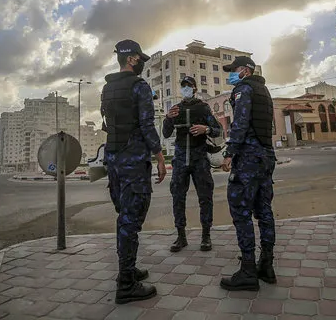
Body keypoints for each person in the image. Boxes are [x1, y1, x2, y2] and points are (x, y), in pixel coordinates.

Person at [100, 39, 167, 304]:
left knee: (124, 216)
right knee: (131, 218)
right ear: (131, 59)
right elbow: (147, 124)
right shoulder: (139, 87)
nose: (142, 62)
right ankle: (126, 284)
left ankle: (126, 271)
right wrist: (160, 157)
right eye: (140, 58)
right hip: (133, 159)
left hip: (114, 157)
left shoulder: (108, 87)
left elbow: (108, 123)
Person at [219, 55, 277, 292]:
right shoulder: (264, 90)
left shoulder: (243, 89)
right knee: (264, 210)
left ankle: (248, 271)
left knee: (241, 211)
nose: (231, 74)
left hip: (249, 157)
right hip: (266, 155)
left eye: (233, 70)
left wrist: (230, 153)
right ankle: (267, 265)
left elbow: (240, 123)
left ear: (245, 70)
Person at [162, 76, 222, 252]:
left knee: (205, 197)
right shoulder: (176, 109)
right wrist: (167, 117)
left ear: (195, 88)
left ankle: (206, 236)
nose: (186, 89)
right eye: (183, 86)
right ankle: (181, 237)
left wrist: (207, 129)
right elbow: (166, 134)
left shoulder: (203, 108)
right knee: (177, 197)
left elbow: (218, 130)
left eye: (189, 86)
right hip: (180, 159)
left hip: (200, 158)